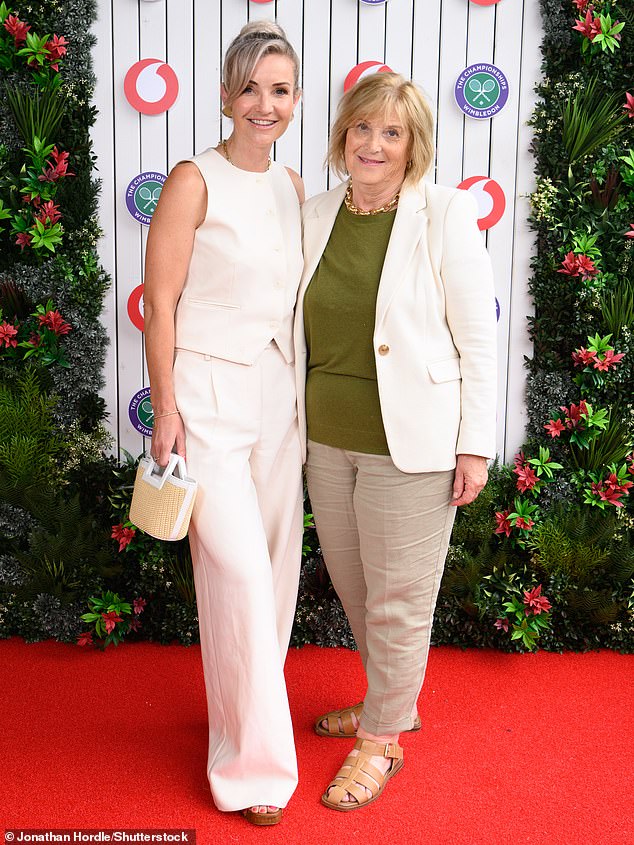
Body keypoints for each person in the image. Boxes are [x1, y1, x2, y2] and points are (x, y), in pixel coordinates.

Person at [293, 72, 497, 811]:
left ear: (413, 144)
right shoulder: (313, 213)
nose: (373, 145)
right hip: (324, 442)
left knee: (399, 602)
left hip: (412, 444)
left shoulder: (444, 212)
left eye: (391, 132)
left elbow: (479, 336)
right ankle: (393, 699)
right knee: (356, 587)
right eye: (361, 130)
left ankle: (381, 740)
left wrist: (475, 443)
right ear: (342, 136)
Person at [143, 21, 304, 827]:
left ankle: (241, 716)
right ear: (225, 94)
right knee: (237, 571)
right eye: (251, 88)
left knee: (275, 575)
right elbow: (159, 304)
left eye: (279, 90)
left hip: (279, 394)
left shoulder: (289, 182)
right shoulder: (192, 178)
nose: (264, 105)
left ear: (295, 98)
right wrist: (165, 409)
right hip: (205, 396)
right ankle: (253, 771)